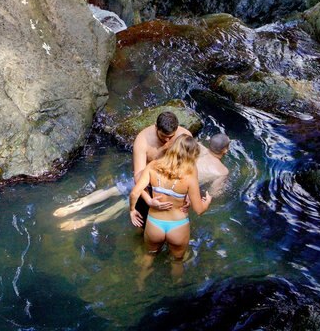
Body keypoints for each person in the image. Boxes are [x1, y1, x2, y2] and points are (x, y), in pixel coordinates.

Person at [55, 133, 231, 231]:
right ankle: (85, 221)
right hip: (166, 189)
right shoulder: (222, 171)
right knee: (121, 205)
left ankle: (76, 205)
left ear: (208, 142)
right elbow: (214, 194)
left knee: (114, 189)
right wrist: (205, 199)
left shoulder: (194, 146)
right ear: (226, 149)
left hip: (154, 173)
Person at [128, 133, 212, 279]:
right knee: (177, 262)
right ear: (193, 155)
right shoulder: (190, 176)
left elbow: (135, 193)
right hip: (177, 226)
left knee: (148, 256)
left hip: (154, 224)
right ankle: (176, 288)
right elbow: (199, 210)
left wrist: (132, 210)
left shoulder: (153, 166)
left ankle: (140, 284)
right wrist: (208, 201)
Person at [130, 111, 191, 228]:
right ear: (156, 127)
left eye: (171, 137)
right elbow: (138, 177)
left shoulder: (184, 136)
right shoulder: (142, 140)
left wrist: (187, 193)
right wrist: (149, 201)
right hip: (149, 185)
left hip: (174, 185)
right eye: (163, 136)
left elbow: (188, 168)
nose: (167, 140)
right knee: (143, 225)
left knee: (175, 225)